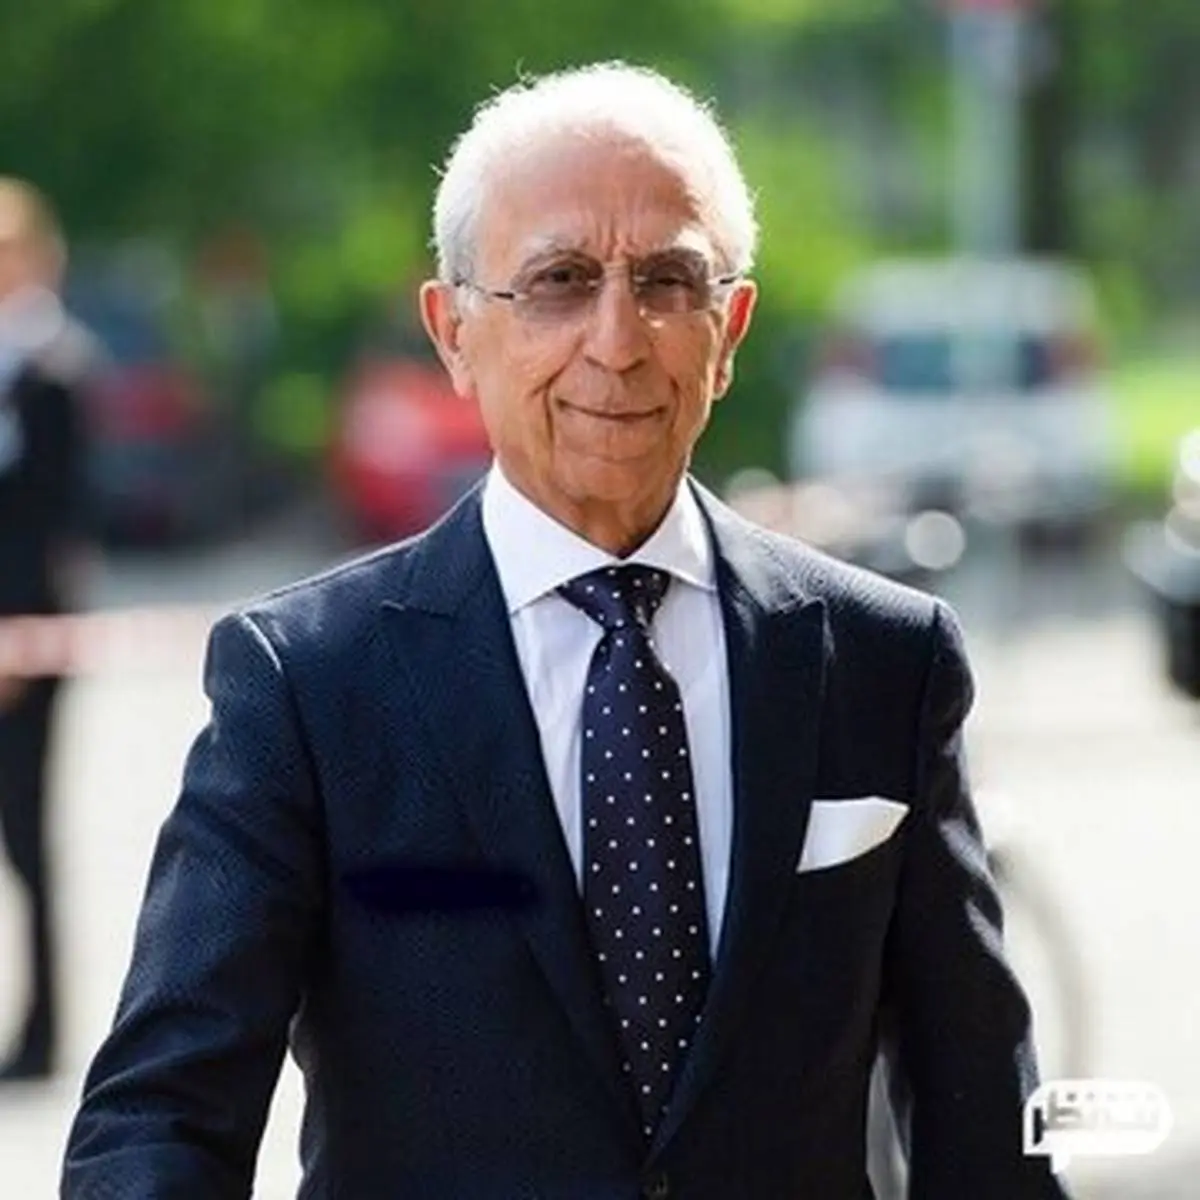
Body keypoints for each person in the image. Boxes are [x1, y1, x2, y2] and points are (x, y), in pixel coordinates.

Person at [62, 64, 1068, 1197]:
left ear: (730, 329)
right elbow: (162, 1114)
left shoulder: (881, 660)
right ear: (453, 332)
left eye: (669, 281)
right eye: (559, 281)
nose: (618, 340)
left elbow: (988, 1118)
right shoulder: (310, 684)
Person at [0, 179, 95, 1083]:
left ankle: (43, 1029)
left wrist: (17, 635)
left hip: (25, 640)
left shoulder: (54, 368)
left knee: (26, 832)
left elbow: (55, 522)